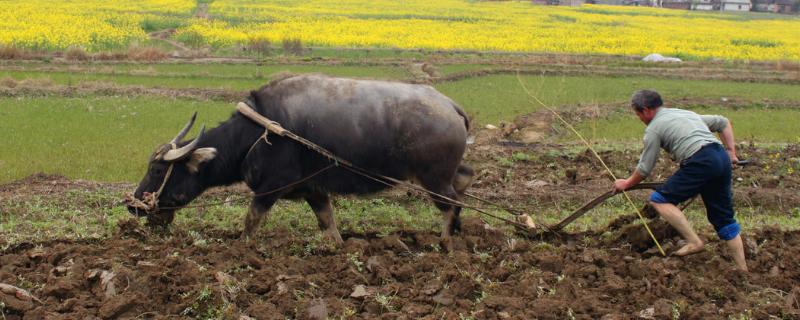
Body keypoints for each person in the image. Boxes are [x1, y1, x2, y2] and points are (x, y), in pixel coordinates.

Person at [613, 89, 747, 272]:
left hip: (700, 160)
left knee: (659, 200)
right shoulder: (684, 113)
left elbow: (644, 168)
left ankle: (694, 241)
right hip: (720, 157)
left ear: (645, 110)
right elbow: (722, 122)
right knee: (724, 219)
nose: (639, 118)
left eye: (637, 114)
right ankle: (742, 270)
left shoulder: (653, 128)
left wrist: (626, 183)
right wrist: (731, 152)